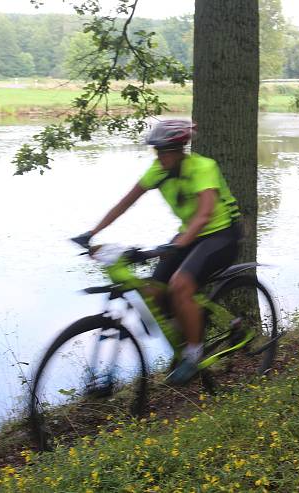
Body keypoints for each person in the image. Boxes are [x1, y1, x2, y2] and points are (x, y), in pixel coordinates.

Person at [73, 119, 241, 385]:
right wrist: (92, 233)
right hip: (188, 236)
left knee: (180, 285)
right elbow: (125, 203)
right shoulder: (158, 171)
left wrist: (181, 242)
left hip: (221, 234)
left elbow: (205, 212)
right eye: (157, 152)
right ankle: (189, 332)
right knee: (154, 291)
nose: (160, 157)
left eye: (164, 152)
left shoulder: (202, 167)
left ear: (179, 150)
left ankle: (193, 355)